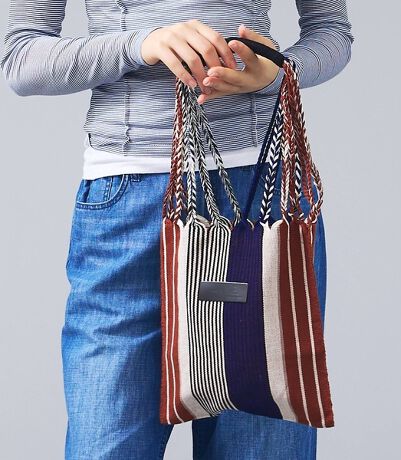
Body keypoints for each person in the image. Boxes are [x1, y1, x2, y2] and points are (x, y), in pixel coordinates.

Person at [1, 1, 354, 458]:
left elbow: (332, 32)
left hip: (264, 199)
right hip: (128, 208)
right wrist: (141, 45)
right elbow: (22, 59)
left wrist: (279, 72)